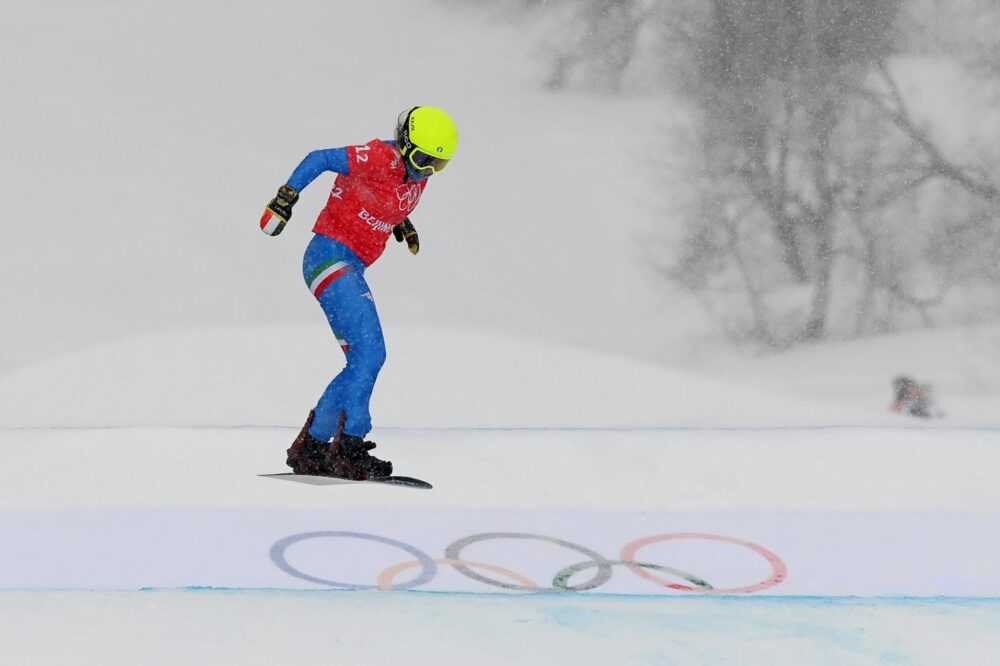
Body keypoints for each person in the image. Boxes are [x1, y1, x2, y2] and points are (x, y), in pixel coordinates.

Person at [259, 106, 458, 479]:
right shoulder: (381, 156)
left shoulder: (415, 174)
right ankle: (348, 447)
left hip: (351, 263)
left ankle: (314, 448)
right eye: (422, 159)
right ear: (405, 145)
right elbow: (319, 158)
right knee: (371, 353)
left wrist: (401, 223)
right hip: (329, 256)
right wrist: (285, 199)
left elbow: (388, 195)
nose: (426, 170)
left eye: (438, 165)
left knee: (360, 361)